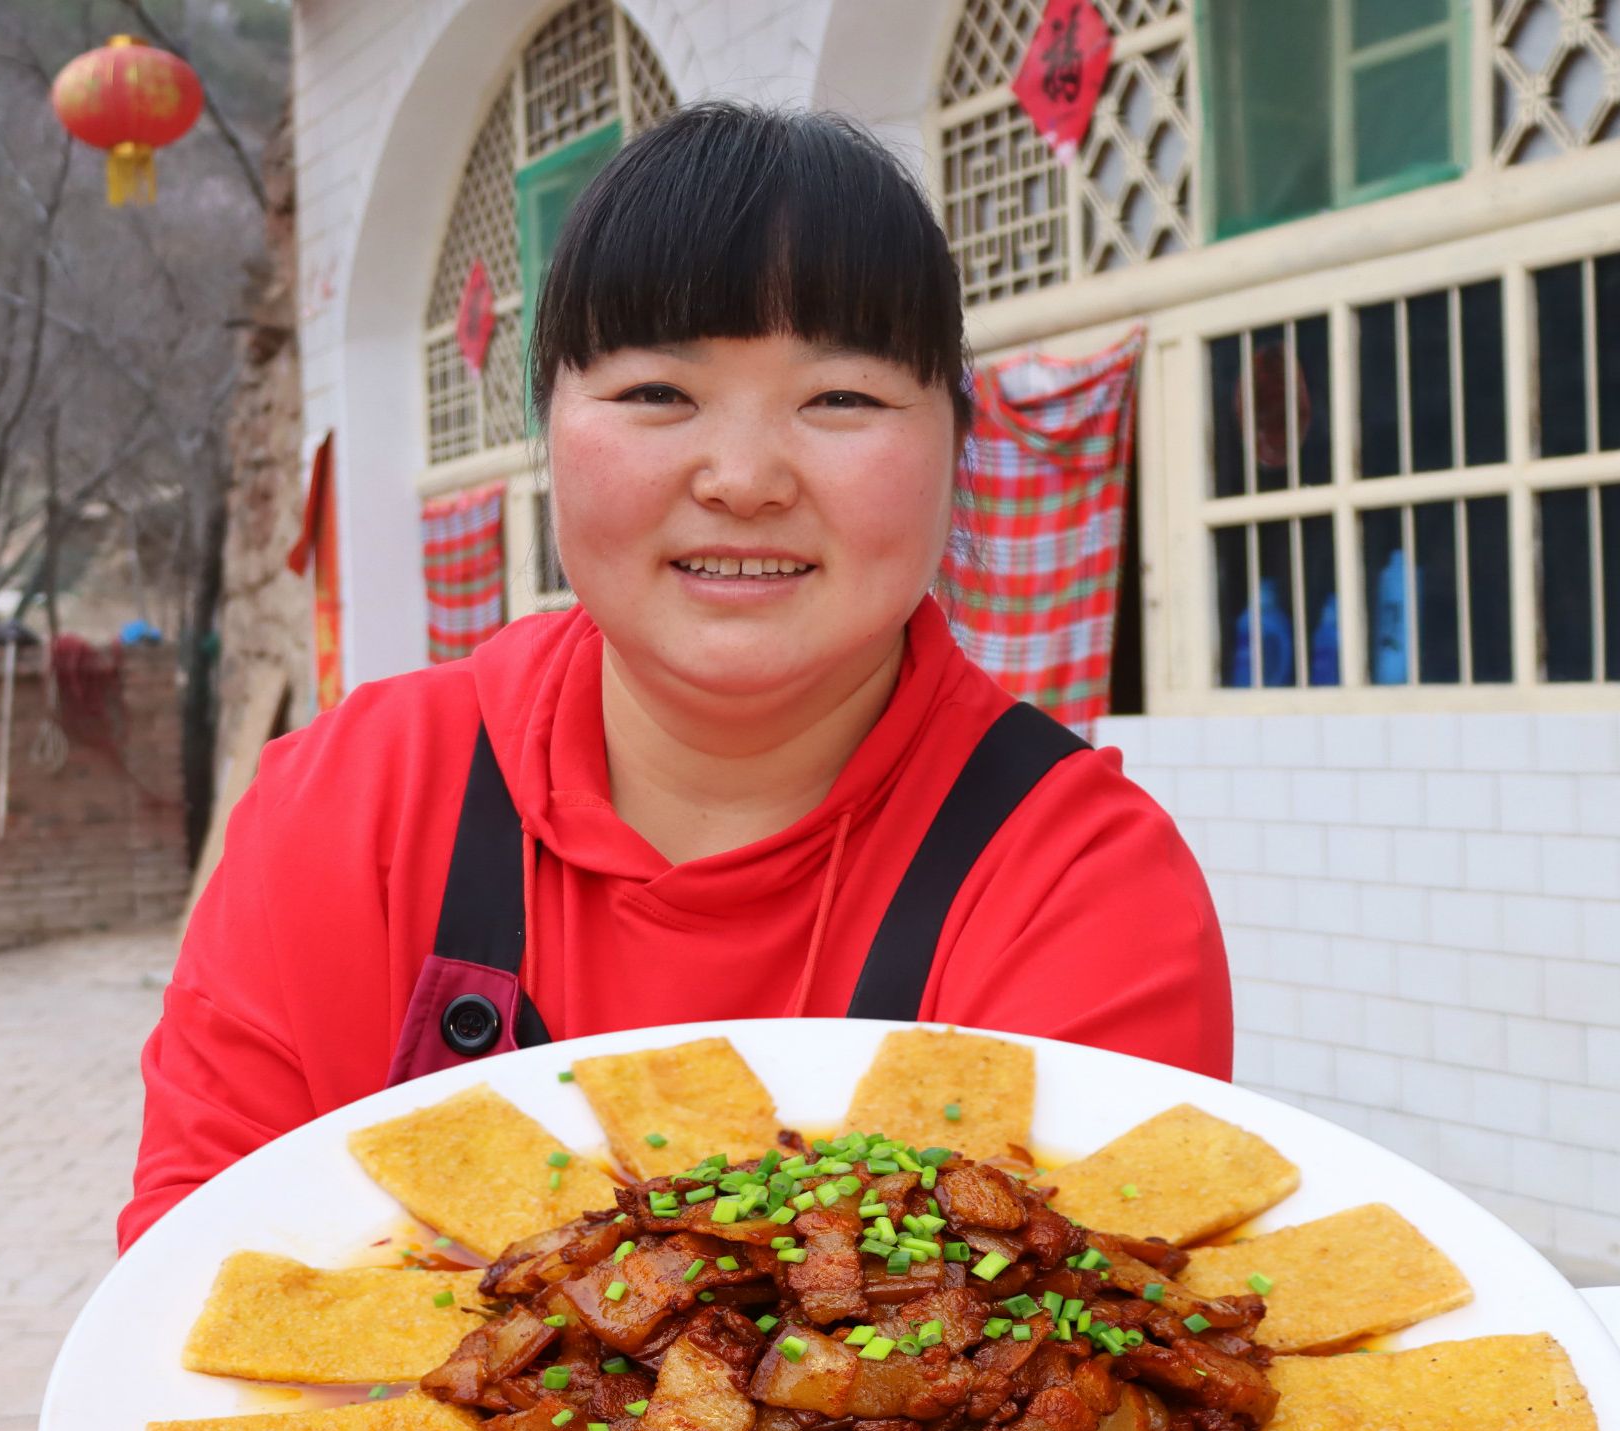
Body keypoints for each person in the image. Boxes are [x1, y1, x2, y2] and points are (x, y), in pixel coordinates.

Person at [120, 102, 1231, 1248]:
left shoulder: (1078, 883)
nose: (744, 478)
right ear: (548, 427)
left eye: (840, 397)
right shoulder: (350, 805)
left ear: (957, 442)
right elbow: (196, 1298)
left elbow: (1088, 1362)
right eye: (658, 393)